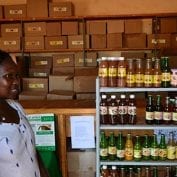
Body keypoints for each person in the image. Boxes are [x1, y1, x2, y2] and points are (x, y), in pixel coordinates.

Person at [0, 50, 49, 177]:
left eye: (17, 76)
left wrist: (44, 172)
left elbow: (32, 150)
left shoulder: (15, 106)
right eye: (9, 76)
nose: (16, 82)